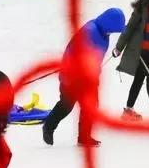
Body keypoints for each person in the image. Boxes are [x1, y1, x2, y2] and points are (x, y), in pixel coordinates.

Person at [42, 8, 126, 147]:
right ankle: (49, 126)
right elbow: (76, 54)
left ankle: (84, 137)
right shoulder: (90, 31)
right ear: (108, 24)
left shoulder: (102, 31)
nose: (113, 33)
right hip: (72, 76)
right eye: (114, 29)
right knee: (66, 105)